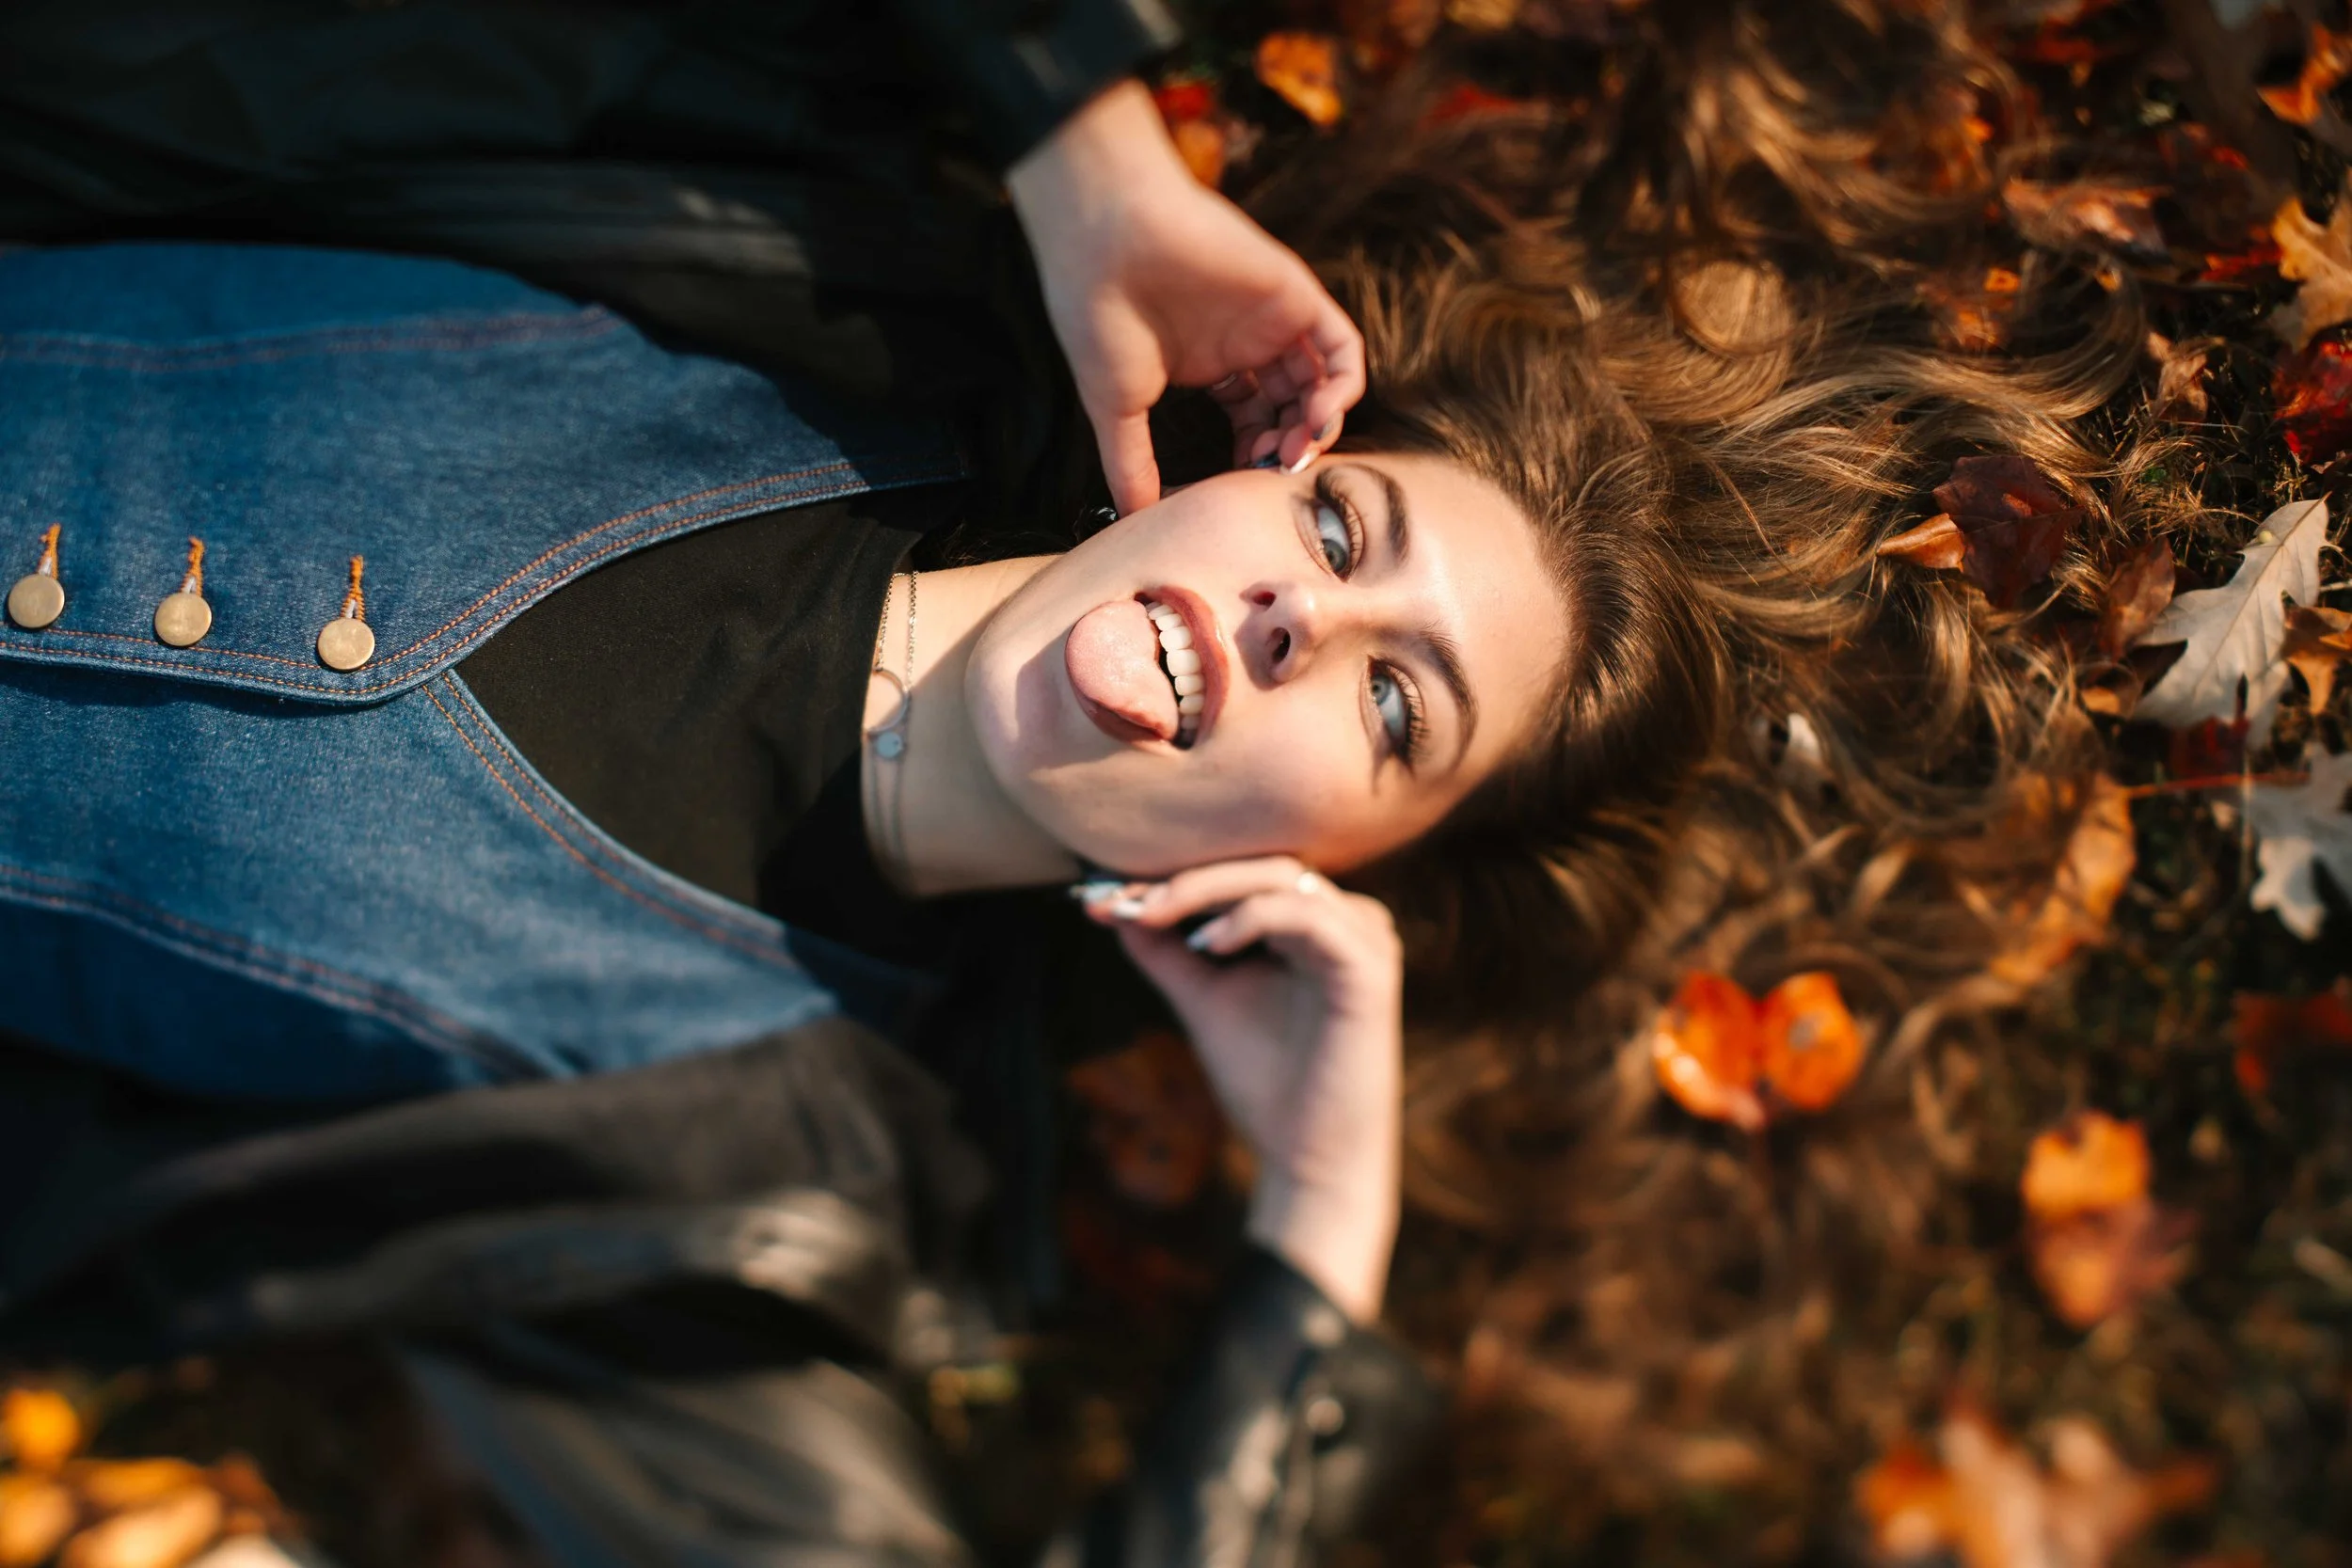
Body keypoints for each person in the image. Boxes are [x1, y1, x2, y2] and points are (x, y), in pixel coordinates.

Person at [0, 1, 2159, 1562]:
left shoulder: (739, 1176)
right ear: (1253, 468)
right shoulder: (795, 258)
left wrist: (1315, 1246)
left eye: (1396, 714)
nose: (1307, 626)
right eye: (1338, 536)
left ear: (1348, 876)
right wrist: (1079, 139)